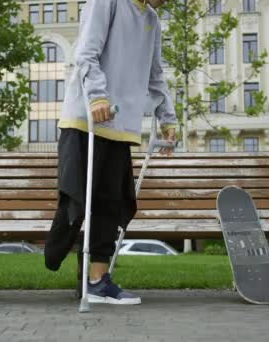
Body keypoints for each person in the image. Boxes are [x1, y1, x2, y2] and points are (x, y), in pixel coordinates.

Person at [44, 0, 176, 305]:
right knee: (77, 201)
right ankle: (55, 251)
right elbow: (86, 53)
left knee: (112, 206)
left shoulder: (152, 21)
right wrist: (98, 96)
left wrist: (167, 117)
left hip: (120, 126)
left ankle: (97, 282)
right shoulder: (107, 2)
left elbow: (155, 74)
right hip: (85, 119)